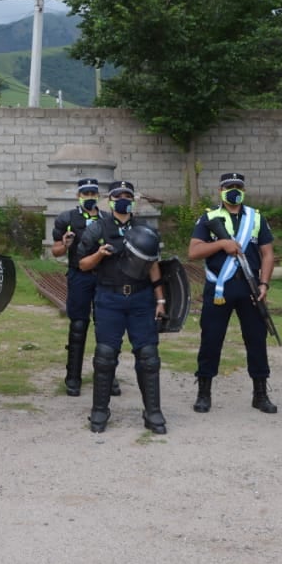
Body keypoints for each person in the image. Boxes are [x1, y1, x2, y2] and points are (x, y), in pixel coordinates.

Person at [76, 180, 168, 434]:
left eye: (128, 196)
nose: (124, 200)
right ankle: (99, 410)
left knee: (149, 357)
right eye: (119, 196)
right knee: (105, 357)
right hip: (109, 298)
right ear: (111, 199)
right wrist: (99, 255)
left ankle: (153, 412)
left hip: (141, 299)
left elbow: (153, 264)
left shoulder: (144, 228)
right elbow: (82, 264)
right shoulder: (98, 228)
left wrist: (160, 300)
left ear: (134, 201)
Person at [187, 172, 278, 415]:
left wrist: (264, 284)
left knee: (257, 340)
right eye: (229, 186)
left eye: (238, 186)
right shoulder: (209, 218)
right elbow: (193, 252)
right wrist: (220, 244)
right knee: (211, 340)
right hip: (220, 287)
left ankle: (260, 394)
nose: (234, 190)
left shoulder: (256, 218)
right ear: (221, 190)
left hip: (250, 287)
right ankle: (204, 393)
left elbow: (268, 254)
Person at [51, 178, 118, 398]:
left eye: (93, 193)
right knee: (78, 326)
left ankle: (108, 375)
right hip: (79, 277)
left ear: (98, 196)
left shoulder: (108, 219)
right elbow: (56, 251)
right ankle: (73, 376)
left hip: (104, 277)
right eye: (85, 193)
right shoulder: (68, 219)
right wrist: (65, 244)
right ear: (78, 196)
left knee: (105, 327)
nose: (89, 197)